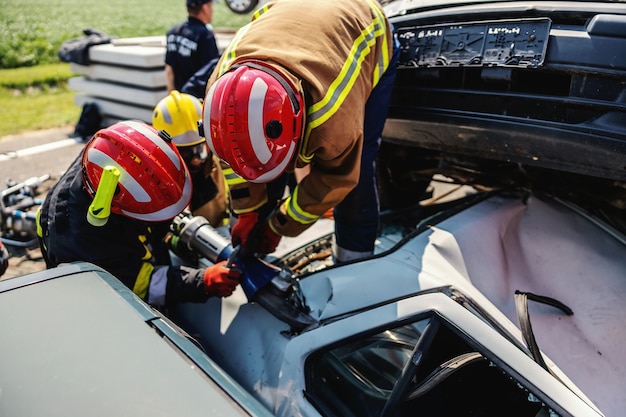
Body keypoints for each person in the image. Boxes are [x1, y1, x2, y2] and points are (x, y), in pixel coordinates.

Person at [203, 0, 400, 263]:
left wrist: (280, 225)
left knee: (359, 168)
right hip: (289, 11)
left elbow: (337, 179)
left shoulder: (332, 121)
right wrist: (247, 210)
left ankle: (354, 259)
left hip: (366, 22)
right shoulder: (218, 96)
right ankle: (253, 252)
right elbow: (235, 156)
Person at [36, 121, 240, 309]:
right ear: (119, 208)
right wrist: (202, 281)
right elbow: (137, 284)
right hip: (97, 304)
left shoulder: (117, 148)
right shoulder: (83, 241)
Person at [152, 90, 228, 227]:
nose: (196, 160)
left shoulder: (216, 164)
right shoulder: (156, 183)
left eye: (200, 150)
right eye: (186, 154)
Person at [165, 0, 220, 92]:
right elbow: (212, 74)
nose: (212, 10)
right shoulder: (205, 36)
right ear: (205, 8)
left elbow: (169, 69)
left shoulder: (173, 32)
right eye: (211, 6)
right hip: (196, 100)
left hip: (178, 98)